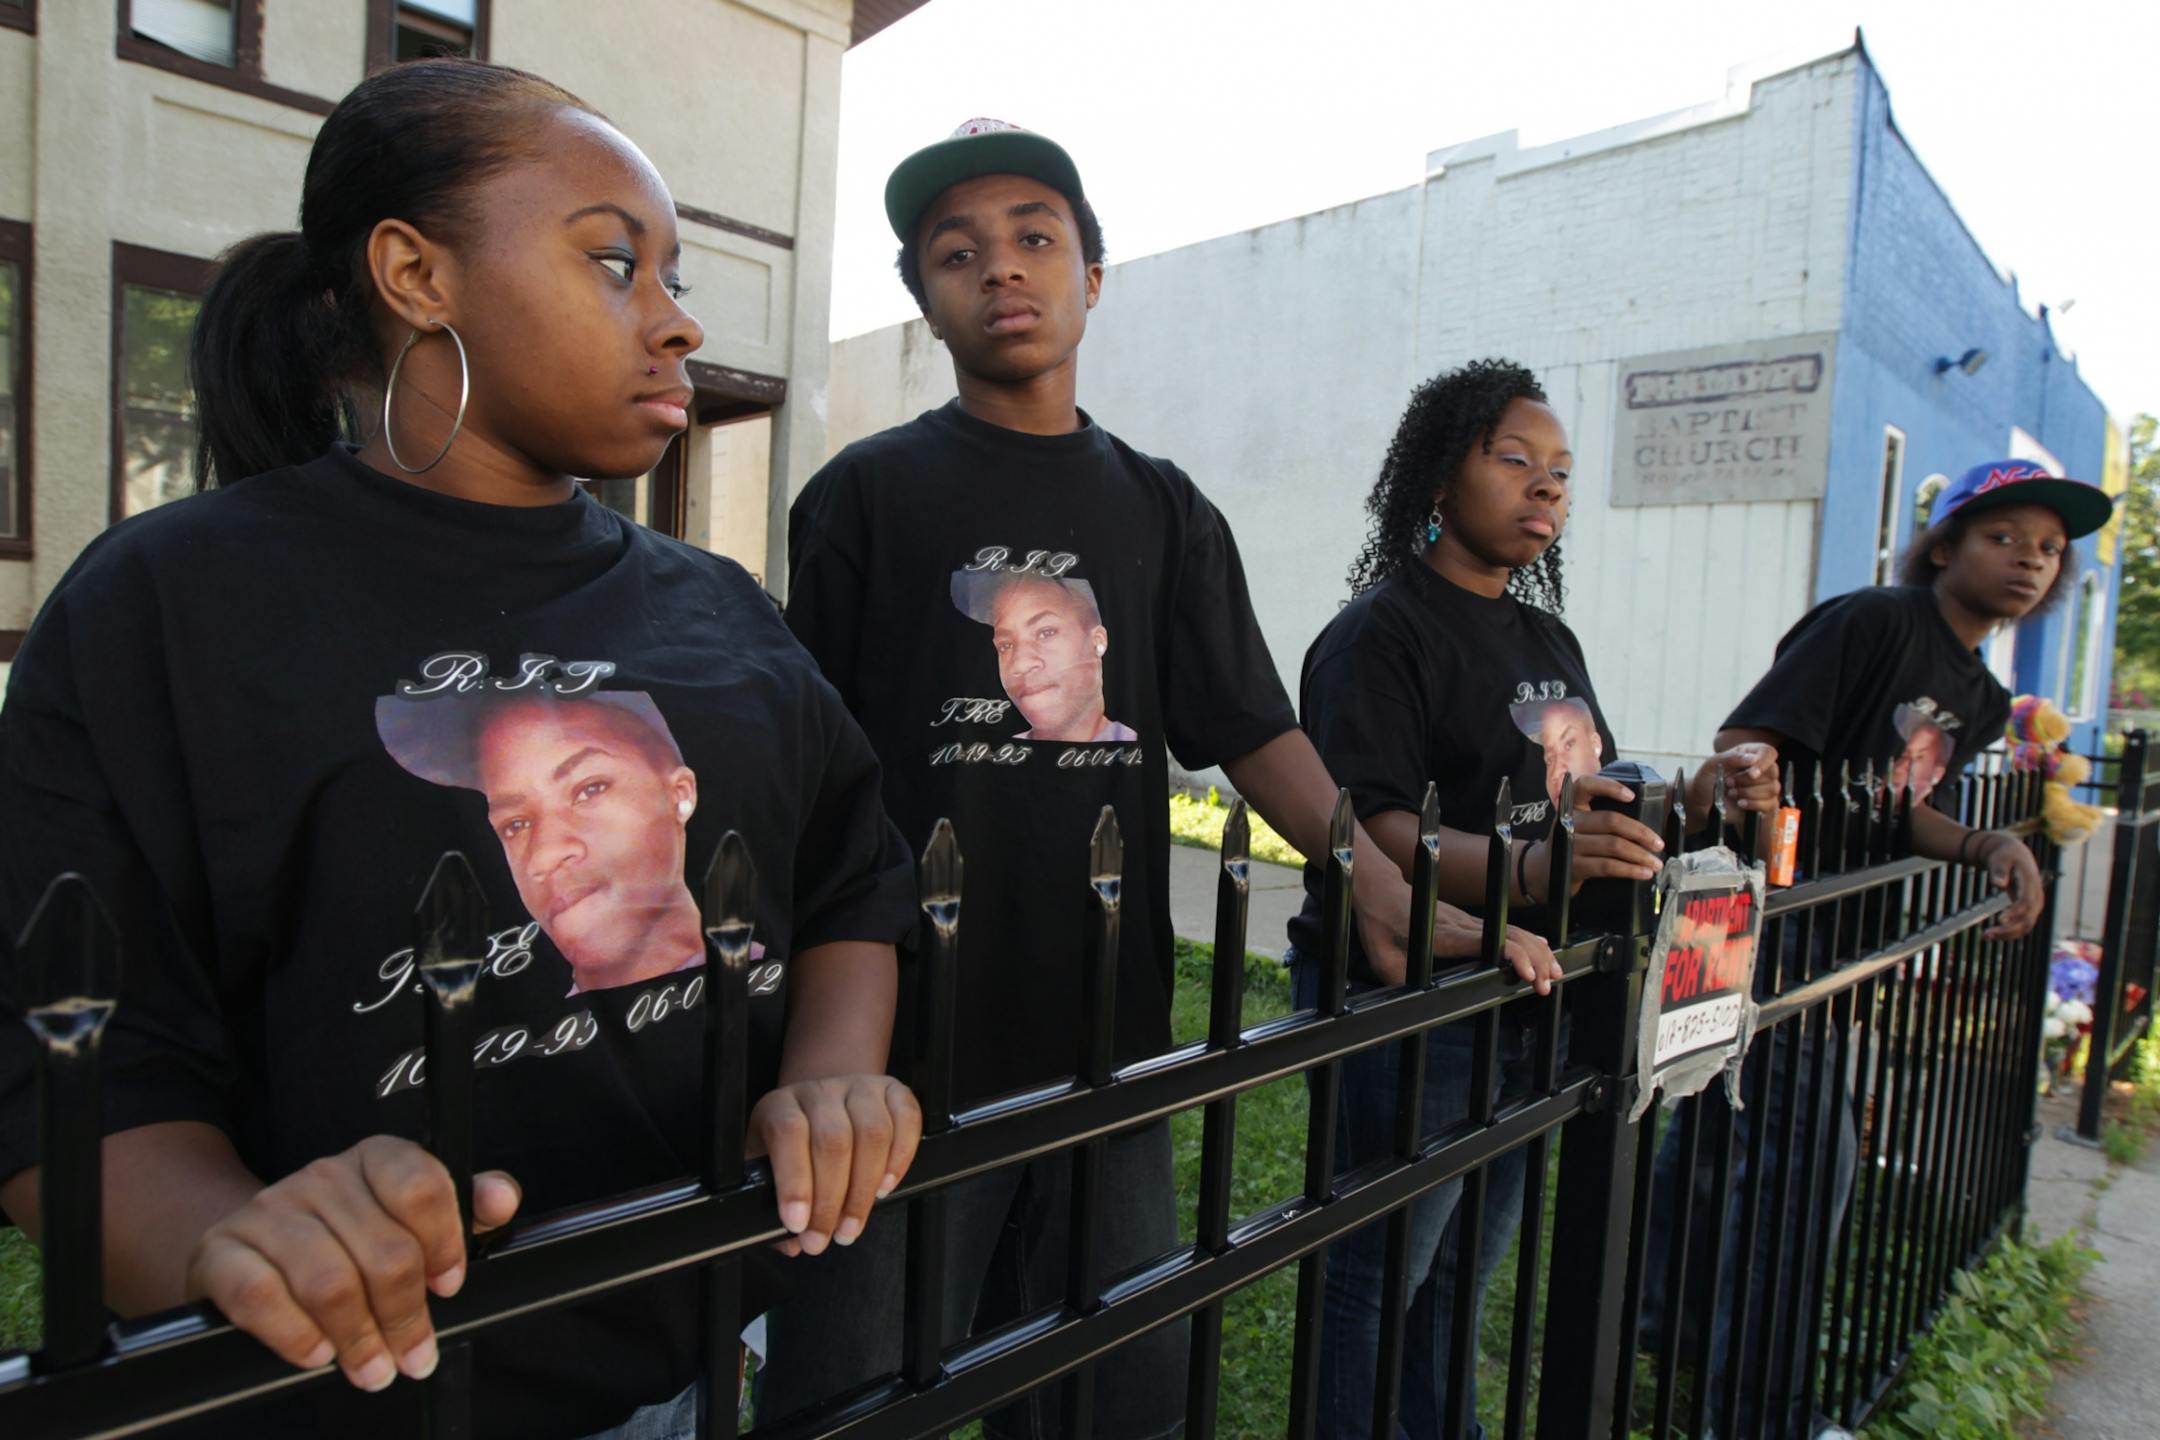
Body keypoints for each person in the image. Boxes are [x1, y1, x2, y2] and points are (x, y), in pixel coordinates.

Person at [0, 59, 921, 1440]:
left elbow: (856, 877)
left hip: (676, 1375)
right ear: (414, 274)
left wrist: (831, 1072)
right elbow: (62, 1048)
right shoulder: (169, 605)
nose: (676, 324)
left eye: (673, 274)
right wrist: (228, 1237)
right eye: (616, 263)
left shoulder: (716, 604)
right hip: (337, 1395)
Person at [766, 121, 1535, 1440]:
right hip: (892, 1057)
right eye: (958, 252)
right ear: (921, 297)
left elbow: (1253, 728)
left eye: (1034, 238)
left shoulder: (1164, 509)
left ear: (1093, 276)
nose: (1000, 269)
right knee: (851, 1401)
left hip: (1106, 1045)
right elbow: (803, 767)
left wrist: (1375, 873)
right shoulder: (862, 498)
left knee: (1109, 1389)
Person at [1284, 359, 1779, 1440]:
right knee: (1380, 1268)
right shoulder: (1379, 634)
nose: (1545, 489)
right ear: (1435, 475)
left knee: (1466, 1266)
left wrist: (1693, 792)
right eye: (1514, 460)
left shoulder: (1549, 641)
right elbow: (1367, 827)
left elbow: (1580, 792)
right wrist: (1539, 870)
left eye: (1560, 474)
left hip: (1532, 988)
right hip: (1410, 992)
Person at [1641, 455, 2110, 1438]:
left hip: (1835, 937)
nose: (2029, 560)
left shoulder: (1977, 697)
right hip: (1753, 918)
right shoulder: (1871, 622)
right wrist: (1755, 781)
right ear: (1944, 545)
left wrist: (1989, 845)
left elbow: (1910, 814)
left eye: (2050, 550)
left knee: (1728, 1140)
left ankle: (1666, 1332)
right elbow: (1747, 736)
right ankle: (1759, 1412)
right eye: (2003, 536)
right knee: (1805, 1171)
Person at [951, 568, 1137, 742]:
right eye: (1006, 645)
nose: (1020, 663)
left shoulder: (1134, 745)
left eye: (1046, 632)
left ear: (1097, 641)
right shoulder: (987, 761)